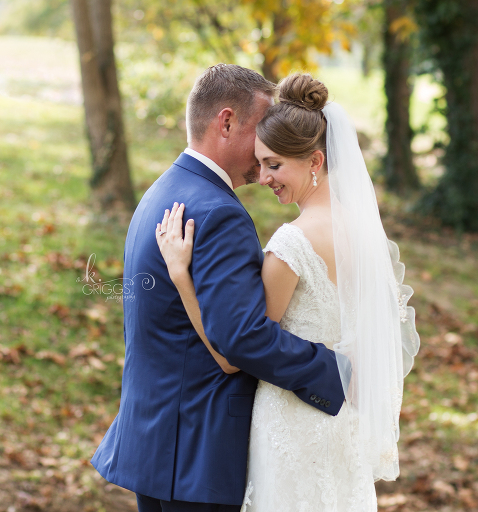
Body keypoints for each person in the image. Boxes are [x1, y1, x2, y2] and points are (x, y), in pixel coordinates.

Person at [90, 64, 351, 512]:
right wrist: (333, 371)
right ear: (227, 122)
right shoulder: (217, 212)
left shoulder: (163, 191)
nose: (269, 142)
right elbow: (240, 340)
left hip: (158, 444)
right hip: (196, 452)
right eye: (262, 127)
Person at [156, 73, 420, 511]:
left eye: (274, 164)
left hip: (292, 430)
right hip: (342, 425)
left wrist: (181, 275)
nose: (263, 178)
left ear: (315, 161)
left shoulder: (292, 245)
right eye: (260, 163)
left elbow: (230, 353)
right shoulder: (368, 237)